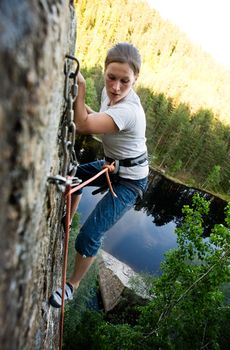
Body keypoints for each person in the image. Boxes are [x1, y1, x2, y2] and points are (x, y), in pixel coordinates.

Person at [49, 42, 149, 308]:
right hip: (115, 165)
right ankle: (67, 219)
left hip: (131, 181)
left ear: (135, 79)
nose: (116, 87)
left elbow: (83, 125)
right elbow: (99, 119)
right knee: (73, 175)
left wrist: (79, 87)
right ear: (105, 72)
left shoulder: (129, 109)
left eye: (124, 81)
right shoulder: (112, 96)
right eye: (111, 78)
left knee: (90, 235)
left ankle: (72, 284)